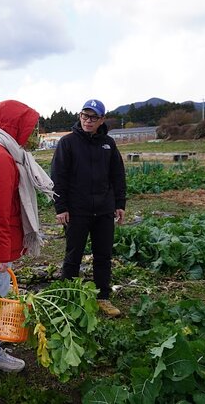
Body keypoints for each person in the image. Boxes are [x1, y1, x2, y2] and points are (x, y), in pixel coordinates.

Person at [0, 99, 55, 373]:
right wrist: (4, 254)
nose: (28, 133)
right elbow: (0, 212)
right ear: (14, 126)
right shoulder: (3, 158)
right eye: (26, 127)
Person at [50, 99, 126, 318]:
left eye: (93, 117)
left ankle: (103, 296)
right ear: (80, 116)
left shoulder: (108, 144)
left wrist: (119, 204)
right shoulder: (68, 142)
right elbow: (58, 177)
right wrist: (61, 207)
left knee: (103, 255)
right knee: (73, 255)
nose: (88, 121)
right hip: (77, 210)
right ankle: (67, 297)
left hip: (103, 210)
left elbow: (117, 176)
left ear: (101, 119)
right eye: (85, 116)